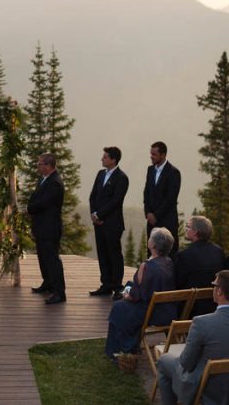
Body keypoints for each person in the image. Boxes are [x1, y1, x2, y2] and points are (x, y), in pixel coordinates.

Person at [158, 270, 229, 405]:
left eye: (214, 286)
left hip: (208, 387)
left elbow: (186, 363)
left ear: (219, 291)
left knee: (164, 360)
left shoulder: (201, 323)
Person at [105, 226, 177, 358]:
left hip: (152, 311)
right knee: (128, 287)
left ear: (153, 244)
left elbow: (135, 296)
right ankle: (129, 346)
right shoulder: (169, 262)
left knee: (119, 307)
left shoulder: (147, 266)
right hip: (167, 310)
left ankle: (121, 350)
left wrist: (127, 295)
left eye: (150, 237)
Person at [89, 146, 129, 298]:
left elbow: (116, 201)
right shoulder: (100, 174)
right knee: (102, 253)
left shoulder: (122, 178)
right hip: (98, 222)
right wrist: (93, 214)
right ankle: (106, 284)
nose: (102, 159)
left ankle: (117, 286)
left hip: (112, 223)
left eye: (105, 157)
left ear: (113, 159)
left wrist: (100, 215)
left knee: (114, 254)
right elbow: (93, 196)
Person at [27, 152, 66, 305]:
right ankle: (48, 283)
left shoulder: (55, 182)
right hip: (41, 226)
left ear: (49, 166)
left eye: (40, 164)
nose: (38, 166)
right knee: (43, 257)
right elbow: (35, 197)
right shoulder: (43, 180)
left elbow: (44, 202)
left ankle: (59, 292)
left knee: (52, 259)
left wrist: (30, 209)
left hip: (50, 227)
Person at [175, 215, 224, 316]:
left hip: (190, 309)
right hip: (213, 305)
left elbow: (178, 283)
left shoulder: (185, 255)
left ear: (196, 232)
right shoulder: (218, 251)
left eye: (188, 227)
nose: (186, 229)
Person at [143, 141, 181, 253]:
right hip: (151, 222)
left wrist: (156, 215)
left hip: (167, 220)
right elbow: (146, 193)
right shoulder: (150, 170)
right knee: (151, 252)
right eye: (151, 154)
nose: (151, 157)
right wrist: (148, 213)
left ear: (163, 155)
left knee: (169, 254)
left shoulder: (173, 172)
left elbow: (171, 198)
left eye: (154, 154)